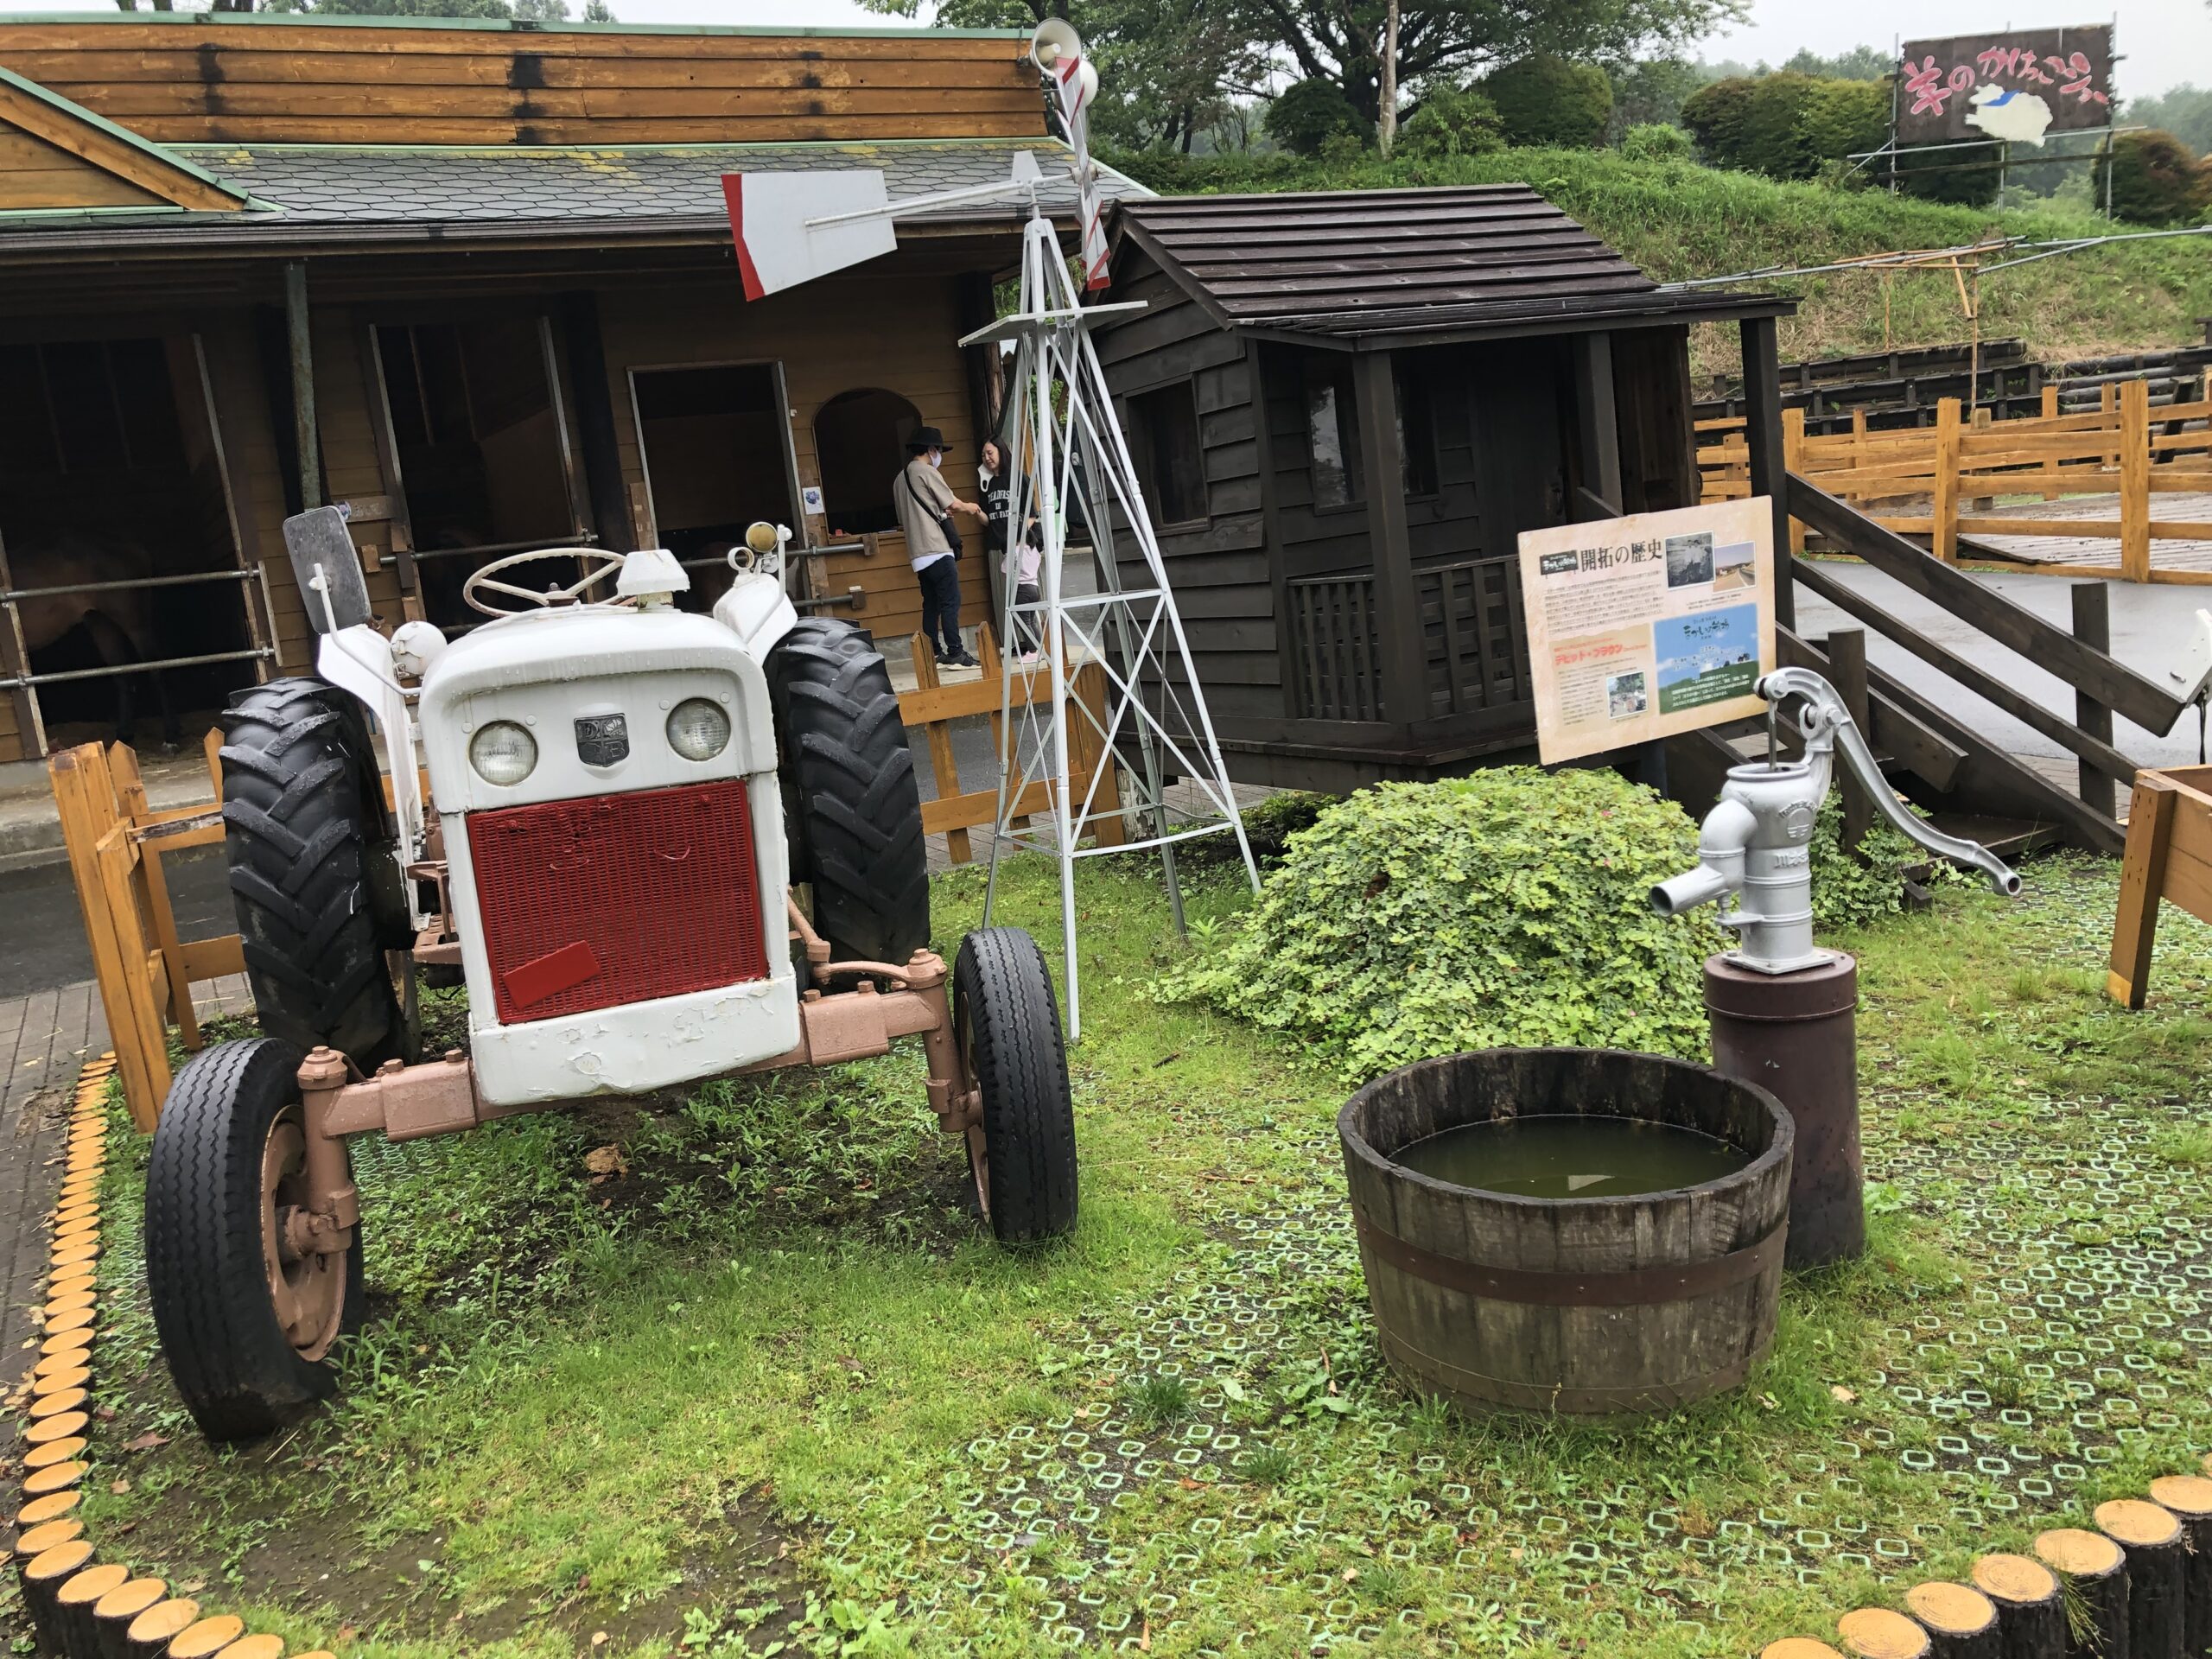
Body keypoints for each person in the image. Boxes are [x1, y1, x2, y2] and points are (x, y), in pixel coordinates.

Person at [893, 425, 987, 668]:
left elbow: (905, 518)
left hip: (917, 553)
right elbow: (952, 504)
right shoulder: (926, 471)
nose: (939, 456)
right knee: (950, 602)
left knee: (931, 604)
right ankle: (955, 651)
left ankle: (933, 651)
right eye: (939, 450)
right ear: (931, 450)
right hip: (936, 548)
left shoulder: (900, 479)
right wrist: (971, 507)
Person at [979, 438, 1044, 664]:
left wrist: (1018, 541)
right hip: (1006, 548)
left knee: (1022, 603)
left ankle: (1034, 650)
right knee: (1022, 605)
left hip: (1020, 547)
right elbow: (989, 520)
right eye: (983, 455)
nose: (987, 458)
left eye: (990, 453)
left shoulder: (1018, 479)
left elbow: (1032, 515)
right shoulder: (988, 485)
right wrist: (975, 512)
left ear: (1001, 451)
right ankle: (1034, 649)